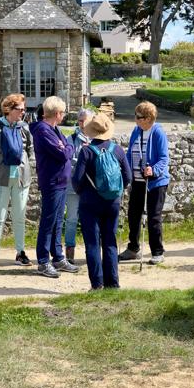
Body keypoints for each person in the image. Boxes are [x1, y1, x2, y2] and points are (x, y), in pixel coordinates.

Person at [72, 113, 130, 290]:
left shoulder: (87, 151)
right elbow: (128, 177)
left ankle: (97, 284)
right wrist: (116, 192)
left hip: (90, 202)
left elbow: (77, 180)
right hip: (112, 202)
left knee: (92, 243)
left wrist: (82, 192)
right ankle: (113, 283)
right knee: (110, 241)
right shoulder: (117, 150)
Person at [29, 96, 83, 278]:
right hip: (52, 182)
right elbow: (64, 153)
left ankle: (58, 257)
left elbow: (66, 146)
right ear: (57, 113)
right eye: (63, 112)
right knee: (48, 221)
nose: (64, 115)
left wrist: (65, 146)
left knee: (58, 220)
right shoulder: (43, 131)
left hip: (60, 182)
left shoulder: (54, 129)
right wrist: (66, 147)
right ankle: (43, 261)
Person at [0, 93, 33, 269]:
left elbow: (29, 150)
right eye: (20, 109)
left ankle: (20, 252)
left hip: (21, 178)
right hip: (0, 178)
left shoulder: (24, 128)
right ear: (9, 109)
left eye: (24, 109)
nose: (23, 112)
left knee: (19, 216)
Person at [119, 102, 172, 265]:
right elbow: (130, 153)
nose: (135, 119)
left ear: (148, 118)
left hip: (155, 182)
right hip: (138, 181)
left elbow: (164, 158)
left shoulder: (158, 133)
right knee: (133, 215)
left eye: (138, 117)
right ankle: (133, 249)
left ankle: (157, 252)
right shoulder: (136, 130)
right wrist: (126, 171)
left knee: (154, 217)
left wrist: (153, 170)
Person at [62, 109, 94, 265]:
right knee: (72, 219)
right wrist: (83, 160)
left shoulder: (97, 138)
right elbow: (68, 161)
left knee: (91, 220)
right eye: (80, 120)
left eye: (84, 120)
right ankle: (70, 251)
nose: (81, 123)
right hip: (73, 186)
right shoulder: (71, 139)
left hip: (92, 187)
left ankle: (92, 251)